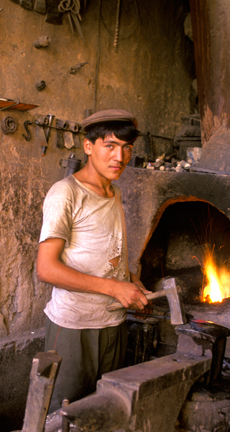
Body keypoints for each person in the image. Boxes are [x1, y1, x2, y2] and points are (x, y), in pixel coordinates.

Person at [36, 109, 151, 413]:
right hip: (74, 325)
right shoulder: (65, 194)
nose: (120, 157)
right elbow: (46, 268)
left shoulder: (114, 192)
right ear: (88, 146)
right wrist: (114, 289)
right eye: (110, 146)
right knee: (63, 414)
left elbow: (106, 250)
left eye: (127, 148)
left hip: (113, 323)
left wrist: (130, 281)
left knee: (103, 410)